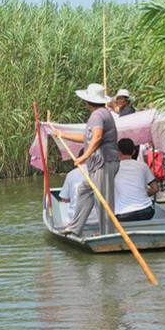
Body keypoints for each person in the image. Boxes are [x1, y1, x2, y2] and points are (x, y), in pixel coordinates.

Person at [54, 83, 119, 236]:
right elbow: (86, 138)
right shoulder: (102, 114)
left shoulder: (98, 115)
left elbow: (97, 137)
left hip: (104, 162)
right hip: (100, 164)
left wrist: (84, 156)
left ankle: (107, 234)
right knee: (84, 191)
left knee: (103, 200)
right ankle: (75, 228)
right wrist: (62, 135)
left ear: (88, 101)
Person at [114, 138, 159, 221]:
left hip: (123, 215)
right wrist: (142, 195)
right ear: (134, 152)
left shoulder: (113, 168)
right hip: (147, 212)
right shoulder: (143, 166)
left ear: (118, 151)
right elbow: (155, 188)